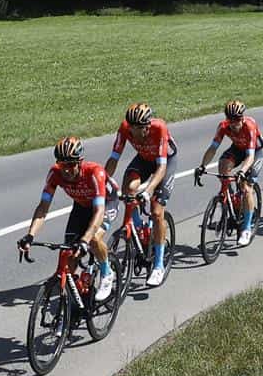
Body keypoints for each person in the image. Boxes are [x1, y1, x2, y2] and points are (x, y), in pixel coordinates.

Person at [19, 136, 118, 297]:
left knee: (93, 240)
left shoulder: (95, 172)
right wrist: (30, 236)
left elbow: (99, 211)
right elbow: (43, 208)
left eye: (71, 164)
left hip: (106, 203)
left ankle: (107, 272)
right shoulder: (55, 174)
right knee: (69, 256)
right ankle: (77, 296)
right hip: (81, 206)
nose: (66, 170)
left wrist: (85, 240)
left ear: (80, 161)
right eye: (62, 164)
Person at [102, 103, 176, 287]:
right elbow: (114, 159)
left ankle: (158, 265)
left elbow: (161, 167)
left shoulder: (159, 128)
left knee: (157, 212)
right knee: (129, 188)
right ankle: (137, 227)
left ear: (147, 126)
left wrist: (149, 190)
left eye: (139, 129)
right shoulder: (125, 128)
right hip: (143, 159)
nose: (134, 133)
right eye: (132, 128)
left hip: (165, 162)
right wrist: (103, 183)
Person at [194, 100, 263, 247]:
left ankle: (246, 229)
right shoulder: (223, 126)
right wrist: (202, 166)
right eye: (230, 120)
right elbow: (213, 148)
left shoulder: (249, 126)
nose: (234, 123)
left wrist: (242, 171)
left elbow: (250, 156)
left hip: (254, 152)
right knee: (223, 165)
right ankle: (230, 199)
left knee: (246, 187)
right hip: (238, 148)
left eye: (237, 119)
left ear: (242, 118)